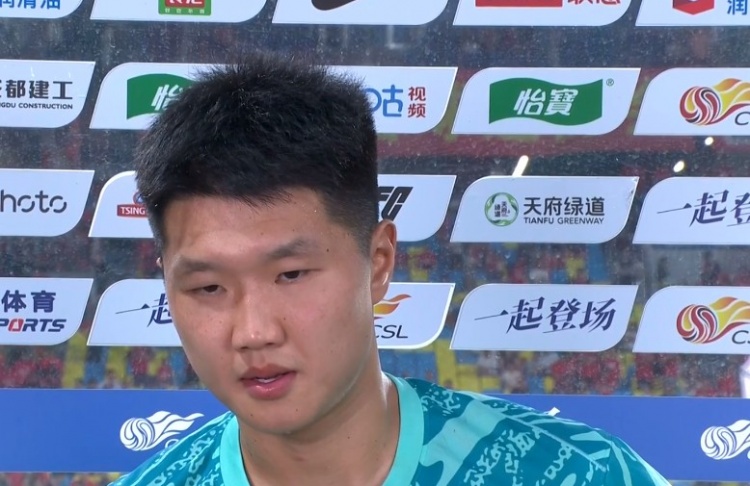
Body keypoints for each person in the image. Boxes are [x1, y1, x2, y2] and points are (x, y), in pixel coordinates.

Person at [111, 52, 670, 485]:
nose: (254, 332)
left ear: (378, 262)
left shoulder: (578, 471)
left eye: (291, 275)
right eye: (209, 286)